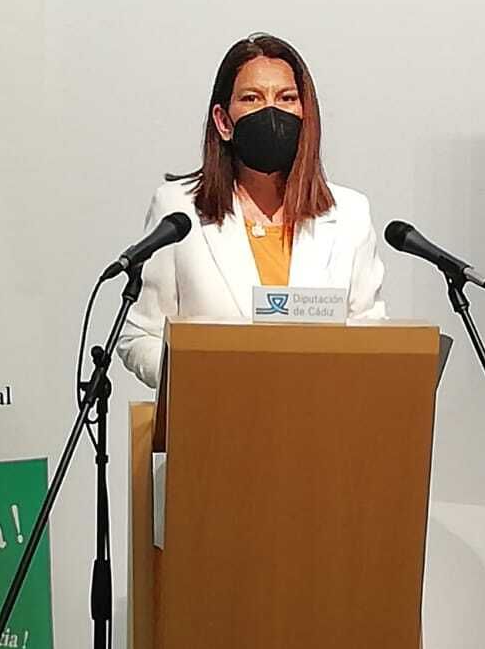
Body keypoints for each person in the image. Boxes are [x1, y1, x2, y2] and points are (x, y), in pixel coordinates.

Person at [115, 33, 385, 387]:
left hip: (320, 426)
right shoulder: (179, 210)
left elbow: (373, 341)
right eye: (251, 98)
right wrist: (199, 379)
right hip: (214, 425)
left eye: (286, 98)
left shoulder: (350, 214)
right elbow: (139, 337)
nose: (270, 112)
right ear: (224, 121)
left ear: (306, 115)